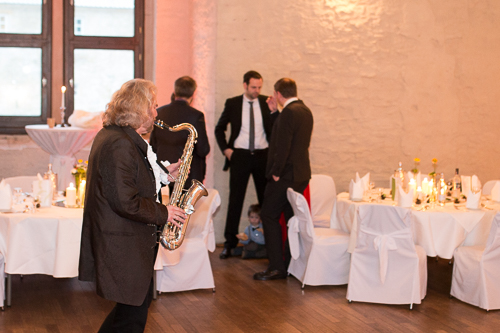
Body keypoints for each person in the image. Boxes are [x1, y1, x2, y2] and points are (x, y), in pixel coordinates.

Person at [78, 79, 187, 332]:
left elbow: (132, 177)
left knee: (130, 310)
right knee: (132, 316)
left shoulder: (119, 136)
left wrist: (165, 174)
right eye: (154, 107)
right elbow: (124, 201)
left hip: (125, 239)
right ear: (140, 108)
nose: (156, 113)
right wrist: (165, 212)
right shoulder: (119, 143)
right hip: (123, 242)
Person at [253, 78, 314, 281]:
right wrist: (274, 113)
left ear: (278, 94)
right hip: (300, 175)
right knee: (290, 219)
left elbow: (283, 145)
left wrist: (276, 171)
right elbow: (285, 134)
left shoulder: (289, 112)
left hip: (285, 175)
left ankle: (276, 267)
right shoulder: (304, 110)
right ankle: (289, 263)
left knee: (269, 215)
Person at [215, 70, 278, 259]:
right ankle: (229, 243)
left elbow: (278, 128)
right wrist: (226, 150)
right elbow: (219, 128)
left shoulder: (267, 103)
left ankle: (270, 244)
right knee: (235, 200)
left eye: (259, 87)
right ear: (245, 85)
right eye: (253, 87)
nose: (257, 90)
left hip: (262, 156)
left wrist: (275, 111)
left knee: (266, 201)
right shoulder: (233, 103)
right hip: (240, 156)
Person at [150, 76, 210, 191]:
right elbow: (203, 149)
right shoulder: (196, 115)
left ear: (174, 91)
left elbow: (153, 146)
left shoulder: (159, 112)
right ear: (193, 94)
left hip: (163, 173)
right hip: (188, 177)